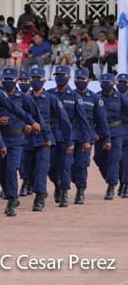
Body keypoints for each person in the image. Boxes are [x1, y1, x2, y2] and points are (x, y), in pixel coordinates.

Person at [0, 67, 42, 217]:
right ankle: (8, 191)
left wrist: (32, 125)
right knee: (0, 170)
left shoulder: (24, 98)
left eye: (11, 79)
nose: (8, 82)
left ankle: (12, 200)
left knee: (11, 169)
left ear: (16, 80)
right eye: (6, 79)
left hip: (17, 140)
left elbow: (34, 115)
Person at [47, 65, 91, 207]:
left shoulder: (75, 96)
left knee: (66, 165)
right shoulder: (49, 94)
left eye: (63, 75)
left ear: (68, 77)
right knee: (50, 165)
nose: (60, 78)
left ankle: (68, 192)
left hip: (69, 135)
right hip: (52, 134)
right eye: (57, 75)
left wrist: (86, 139)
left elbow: (83, 119)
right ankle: (57, 184)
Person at [26, 67, 69, 212]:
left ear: (44, 80)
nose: (35, 81)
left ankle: (39, 197)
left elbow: (64, 120)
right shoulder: (25, 98)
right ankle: (54, 184)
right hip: (28, 138)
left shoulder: (51, 99)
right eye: (33, 78)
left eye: (38, 78)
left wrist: (68, 141)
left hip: (45, 138)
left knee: (42, 167)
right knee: (27, 171)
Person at [68, 68, 110, 204]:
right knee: (68, 163)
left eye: (83, 79)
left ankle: (80, 191)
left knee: (81, 164)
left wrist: (106, 138)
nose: (80, 81)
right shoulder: (70, 95)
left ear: (88, 80)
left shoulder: (95, 98)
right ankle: (74, 182)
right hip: (71, 133)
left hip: (86, 134)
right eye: (78, 79)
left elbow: (102, 120)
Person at [92, 74, 125, 200]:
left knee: (114, 159)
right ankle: (111, 178)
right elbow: (90, 116)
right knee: (98, 158)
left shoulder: (120, 98)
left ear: (113, 83)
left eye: (108, 83)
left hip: (116, 132)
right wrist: (93, 131)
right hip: (100, 133)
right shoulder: (96, 97)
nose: (105, 85)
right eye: (103, 83)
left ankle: (111, 186)